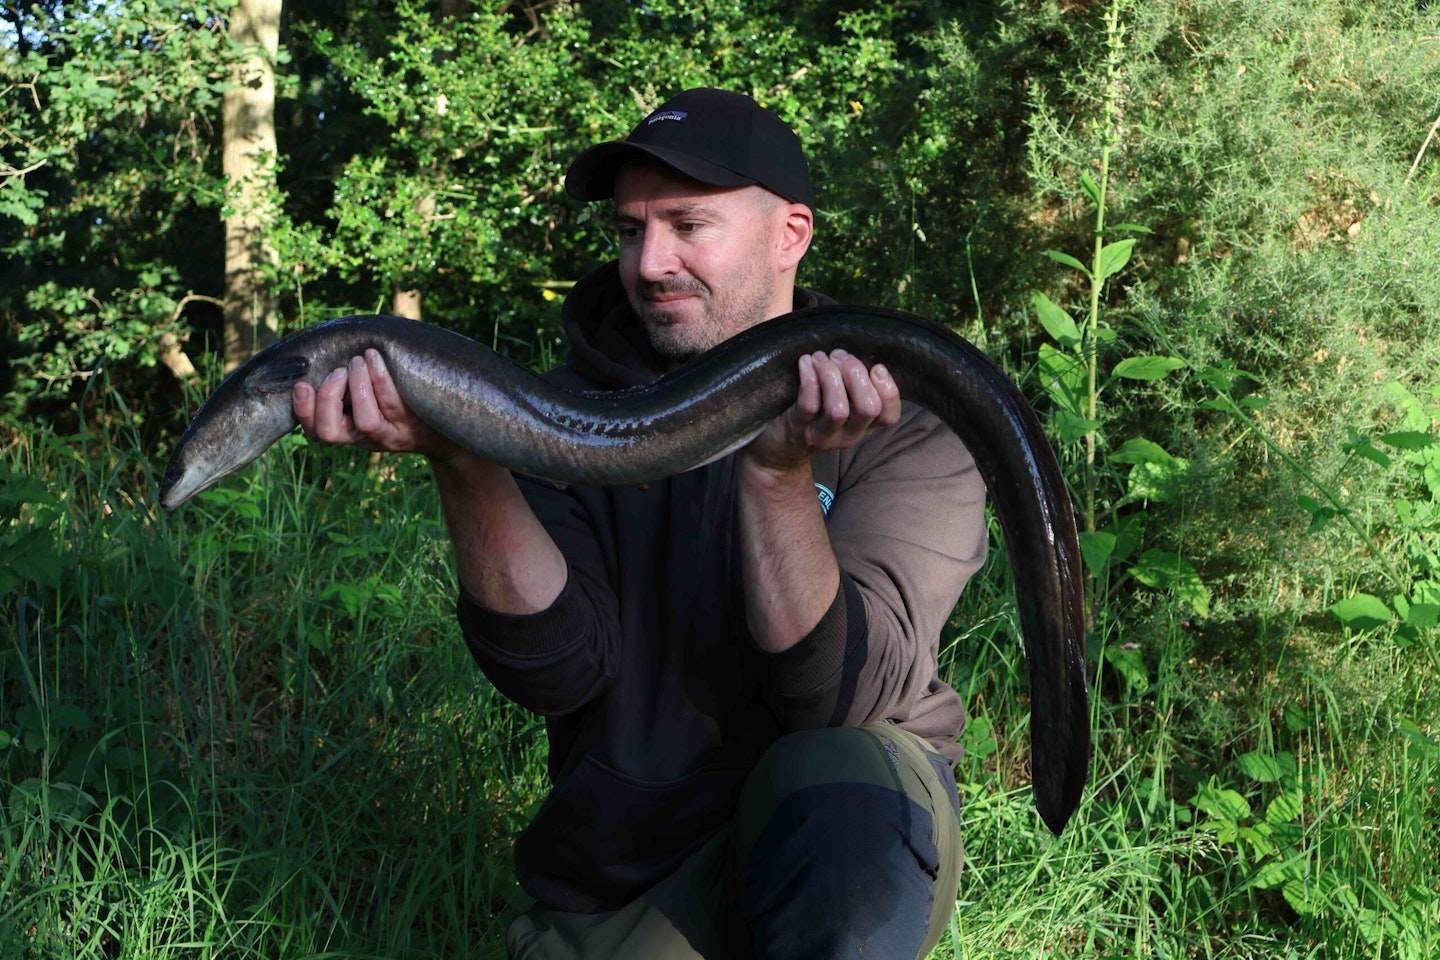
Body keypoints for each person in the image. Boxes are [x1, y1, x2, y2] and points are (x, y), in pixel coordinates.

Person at [293, 88, 988, 959]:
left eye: (689, 225)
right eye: (629, 231)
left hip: (837, 843)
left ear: (790, 236)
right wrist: (466, 462)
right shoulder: (556, 417)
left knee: (844, 791)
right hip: (629, 876)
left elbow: (841, 702)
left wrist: (776, 474)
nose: (650, 262)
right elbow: (559, 671)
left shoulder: (906, 422)